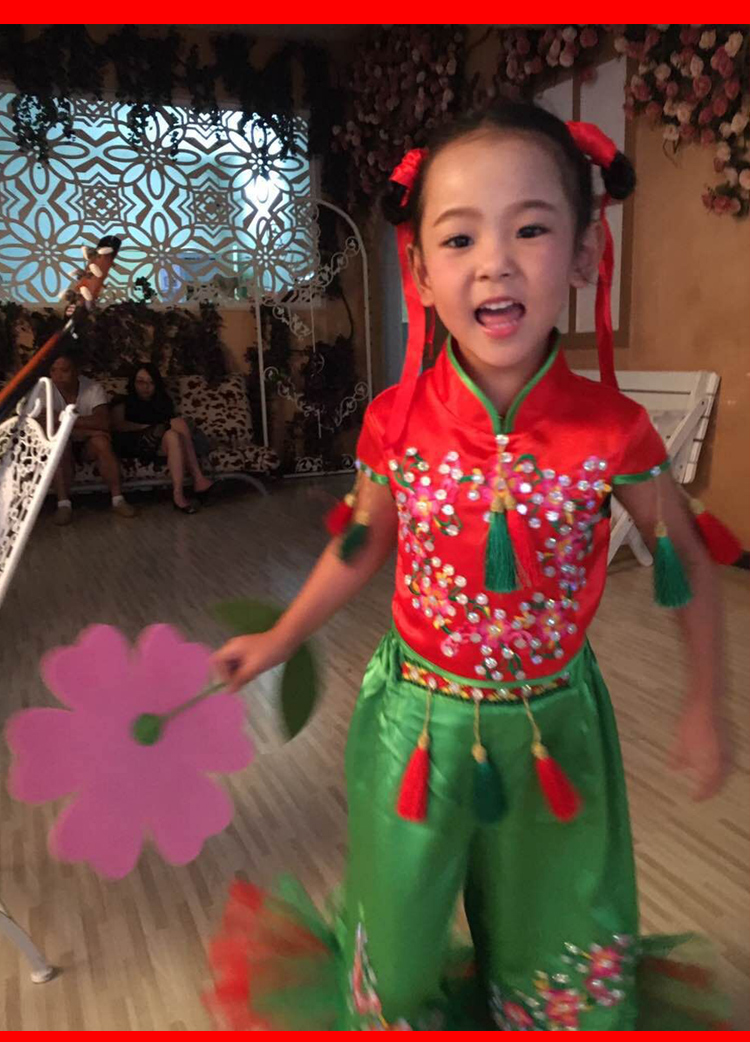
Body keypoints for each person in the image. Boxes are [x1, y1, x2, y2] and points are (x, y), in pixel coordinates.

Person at [208, 103, 731, 1031]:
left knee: (557, 952)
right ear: (419, 269)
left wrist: (703, 702)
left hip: (558, 732)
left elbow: (686, 559)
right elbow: (361, 544)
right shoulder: (395, 421)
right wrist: (280, 638)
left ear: (584, 254)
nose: (495, 262)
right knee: (397, 950)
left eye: (530, 229)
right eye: (459, 238)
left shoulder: (615, 433)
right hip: (416, 726)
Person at [110, 363, 213, 514]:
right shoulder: (122, 400)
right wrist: (149, 427)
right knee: (178, 423)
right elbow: (118, 425)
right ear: (133, 382)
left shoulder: (162, 402)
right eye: (140, 381)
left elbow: (167, 428)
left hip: (159, 444)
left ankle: (178, 495)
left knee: (173, 436)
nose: (146, 387)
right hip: (133, 442)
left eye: (151, 382)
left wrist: (158, 428)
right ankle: (198, 478)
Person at [48, 351, 136, 525]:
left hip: (87, 444)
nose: (58, 376)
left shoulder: (93, 388)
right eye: (53, 370)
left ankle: (118, 499)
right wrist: (89, 430)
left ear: (76, 371)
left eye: (64, 370)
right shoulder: (45, 390)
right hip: (64, 440)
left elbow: (103, 422)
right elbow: (48, 426)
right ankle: (63, 504)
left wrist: (65, 420)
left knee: (101, 442)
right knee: (59, 445)